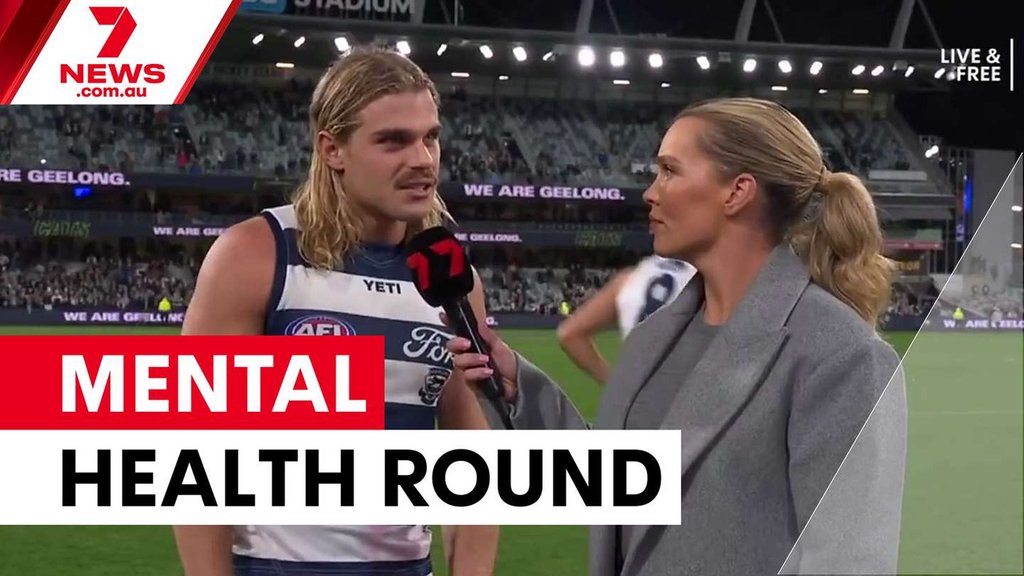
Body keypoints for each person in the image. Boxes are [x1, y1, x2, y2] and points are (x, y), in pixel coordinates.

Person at [447, 97, 907, 576]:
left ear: (737, 192)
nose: (650, 192)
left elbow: (848, 562)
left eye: (669, 171)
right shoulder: (656, 336)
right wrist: (521, 391)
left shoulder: (842, 356)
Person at [174, 47, 498, 576]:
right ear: (332, 149)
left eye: (430, 137)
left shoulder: (452, 281)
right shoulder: (255, 255)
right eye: (393, 140)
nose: (423, 159)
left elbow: (470, 460)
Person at [556, 255, 696, 384]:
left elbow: (569, 334)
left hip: (638, 394)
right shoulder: (700, 275)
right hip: (688, 391)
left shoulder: (632, 277)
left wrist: (615, 385)